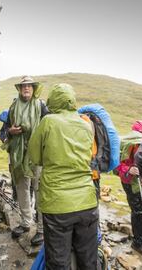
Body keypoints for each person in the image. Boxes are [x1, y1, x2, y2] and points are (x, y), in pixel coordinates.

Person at [28, 83, 99, 269]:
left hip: (57, 203)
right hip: (87, 202)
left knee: (59, 261)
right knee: (89, 260)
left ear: (53, 100)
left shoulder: (48, 121)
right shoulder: (85, 124)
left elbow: (35, 157)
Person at [5, 76, 48, 245]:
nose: (26, 88)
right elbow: (5, 130)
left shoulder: (41, 106)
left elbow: (48, 127)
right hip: (18, 154)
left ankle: (42, 229)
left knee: (39, 191)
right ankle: (25, 223)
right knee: (22, 188)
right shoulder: (13, 107)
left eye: (29, 86)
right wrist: (10, 131)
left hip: (37, 155)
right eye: (23, 86)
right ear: (19, 89)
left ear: (34, 88)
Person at [115, 120, 142, 257]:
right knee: (138, 211)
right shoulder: (127, 145)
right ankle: (138, 241)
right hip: (130, 182)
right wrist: (129, 169)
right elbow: (116, 166)